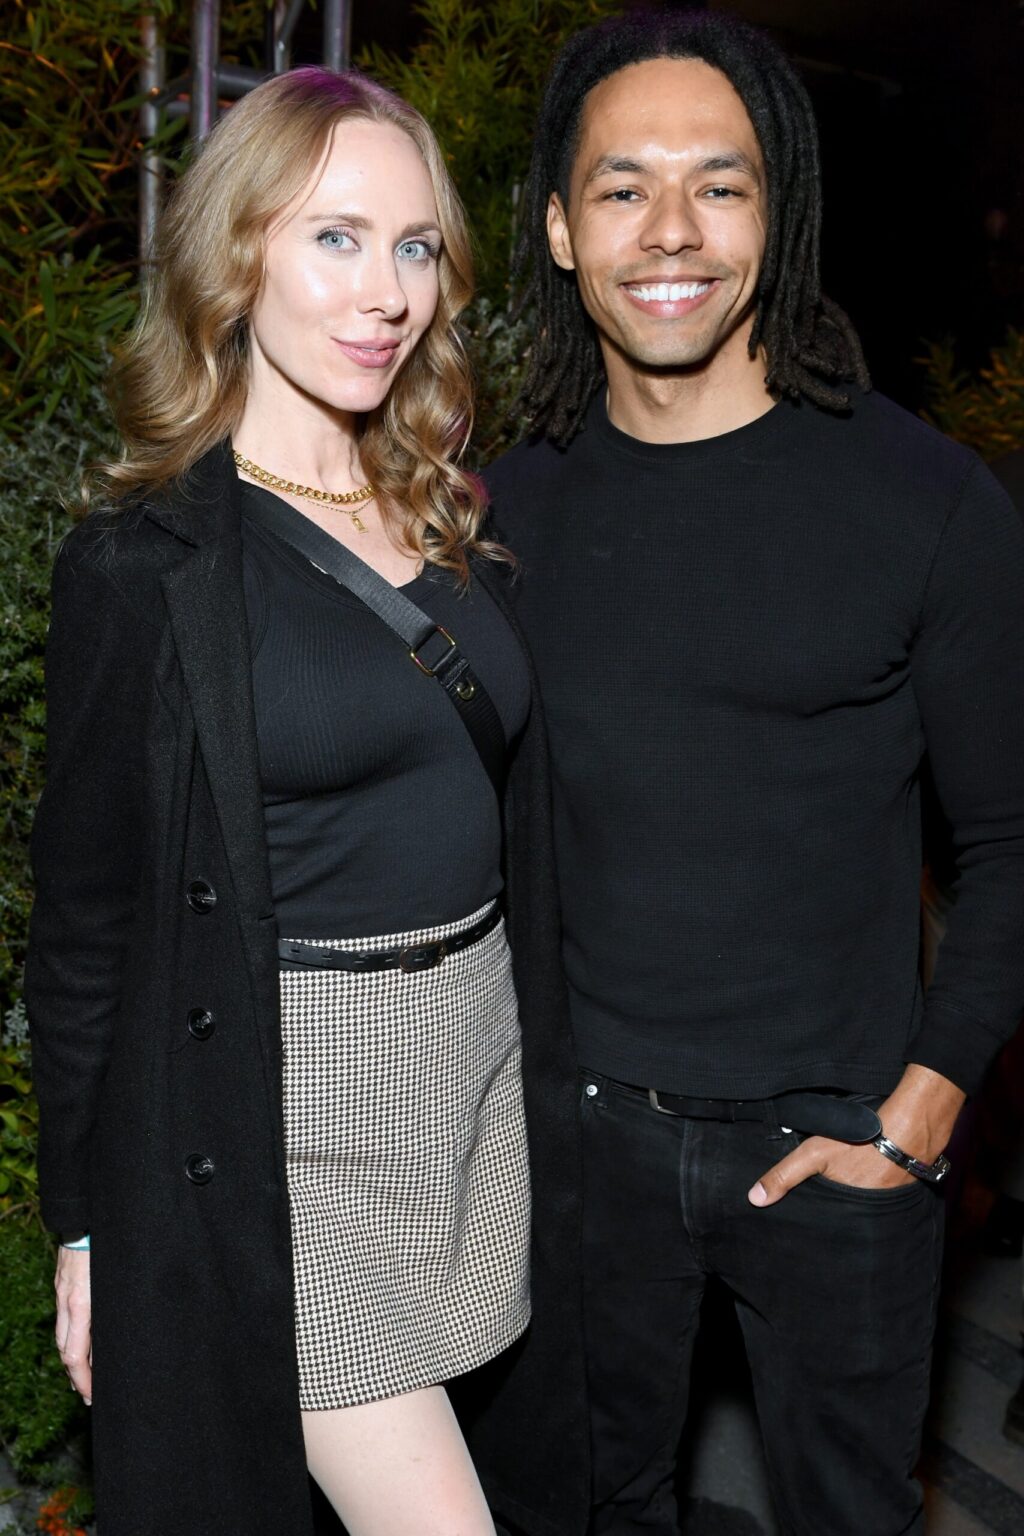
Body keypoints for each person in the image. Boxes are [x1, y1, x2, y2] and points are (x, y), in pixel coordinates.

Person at [25, 67, 586, 1536]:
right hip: (289, 1112)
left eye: (415, 246)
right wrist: (84, 1223)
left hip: (473, 1068)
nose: (386, 292)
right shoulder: (143, 565)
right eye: (335, 237)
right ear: (237, 255)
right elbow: (83, 925)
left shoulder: (449, 513)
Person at [484, 11, 1024, 1535]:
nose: (671, 230)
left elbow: (1012, 839)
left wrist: (923, 1110)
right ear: (560, 228)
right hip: (575, 1146)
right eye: (623, 187)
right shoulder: (500, 511)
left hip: (837, 1145)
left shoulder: (924, 502)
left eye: (719, 185)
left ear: (777, 215)